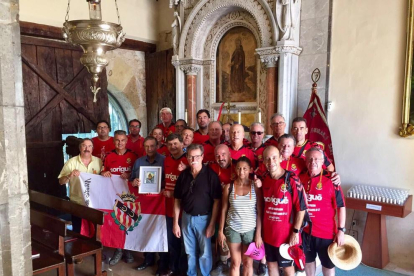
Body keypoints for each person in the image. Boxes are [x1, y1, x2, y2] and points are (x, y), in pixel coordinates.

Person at [255, 146, 307, 276]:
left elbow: (301, 208)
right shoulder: (264, 178)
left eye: (274, 158)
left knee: (288, 270)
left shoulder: (292, 179)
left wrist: (295, 232)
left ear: (280, 158)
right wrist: (259, 233)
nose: (271, 162)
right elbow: (261, 207)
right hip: (268, 235)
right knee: (271, 267)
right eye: (267, 159)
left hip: (286, 236)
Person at [173, 144, 222, 276]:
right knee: (189, 251)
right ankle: (191, 273)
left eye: (196, 156)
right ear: (187, 157)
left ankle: (205, 274)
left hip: (204, 219)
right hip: (186, 218)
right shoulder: (183, 176)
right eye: (190, 156)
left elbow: (217, 201)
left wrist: (212, 224)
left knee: (205, 252)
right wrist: (175, 223)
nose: (193, 159)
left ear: (202, 157)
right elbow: (177, 200)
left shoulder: (211, 176)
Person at [299, 148, 346, 276]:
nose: (312, 162)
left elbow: (341, 206)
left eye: (316, 159)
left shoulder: (332, 180)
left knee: (328, 265)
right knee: (308, 261)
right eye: (309, 159)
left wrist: (341, 230)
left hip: (326, 233)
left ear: (322, 162)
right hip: (306, 232)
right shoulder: (300, 178)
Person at [218, 157, 263, 276]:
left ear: (250, 170)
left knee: (248, 262)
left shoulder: (255, 187)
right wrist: (220, 231)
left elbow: (259, 211)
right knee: (235, 262)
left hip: (250, 230)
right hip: (233, 229)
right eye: (238, 168)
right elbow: (223, 209)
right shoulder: (229, 187)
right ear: (235, 170)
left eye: (244, 169)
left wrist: (258, 234)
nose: (241, 172)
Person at [130, 136, 168, 274]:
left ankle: (163, 263)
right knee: (146, 230)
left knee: (160, 232)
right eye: (146, 146)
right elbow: (131, 179)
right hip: (144, 204)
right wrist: (134, 182)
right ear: (143, 147)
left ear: (157, 146)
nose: (149, 149)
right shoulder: (139, 162)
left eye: (152, 146)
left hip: (160, 203)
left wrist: (163, 186)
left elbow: (168, 178)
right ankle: (148, 259)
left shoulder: (164, 160)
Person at [101, 130, 138, 265]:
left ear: (126, 141)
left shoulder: (134, 156)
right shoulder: (109, 156)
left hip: (130, 197)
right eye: (117, 140)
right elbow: (102, 171)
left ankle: (128, 249)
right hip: (114, 195)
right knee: (117, 221)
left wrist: (129, 176)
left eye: (122, 140)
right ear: (113, 141)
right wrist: (104, 172)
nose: (120, 143)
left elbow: (139, 174)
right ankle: (119, 249)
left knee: (129, 221)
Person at [58, 138, 102, 232]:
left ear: (92, 148)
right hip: (77, 202)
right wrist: (69, 175)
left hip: (94, 203)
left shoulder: (99, 162)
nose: (87, 148)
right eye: (84, 146)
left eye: (89, 146)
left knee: (95, 231)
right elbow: (61, 182)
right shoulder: (71, 162)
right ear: (80, 148)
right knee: (78, 231)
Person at [164, 133, 189, 275]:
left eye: (175, 143)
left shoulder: (187, 161)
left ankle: (183, 270)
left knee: (185, 244)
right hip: (169, 209)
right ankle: (172, 268)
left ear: (181, 144)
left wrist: (173, 194)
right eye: (170, 144)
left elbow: (192, 188)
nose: (173, 147)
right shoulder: (166, 160)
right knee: (172, 242)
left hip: (185, 210)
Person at [209, 144, 236, 275]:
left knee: (235, 238)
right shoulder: (211, 168)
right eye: (218, 156)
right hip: (218, 209)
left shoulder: (237, 167)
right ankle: (222, 261)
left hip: (236, 212)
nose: (221, 158)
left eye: (223, 154)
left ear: (230, 154)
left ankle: (236, 262)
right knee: (220, 238)